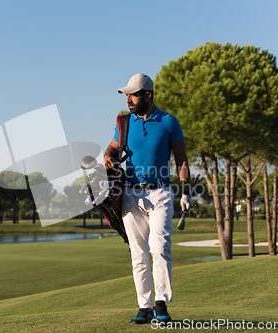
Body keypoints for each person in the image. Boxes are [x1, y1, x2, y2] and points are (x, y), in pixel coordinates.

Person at [103, 73, 193, 325]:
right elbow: (111, 148)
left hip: (160, 193)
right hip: (130, 194)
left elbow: (181, 161)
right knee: (138, 254)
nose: (128, 99)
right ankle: (144, 307)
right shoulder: (124, 123)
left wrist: (186, 191)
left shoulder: (168, 122)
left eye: (132, 94)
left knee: (159, 248)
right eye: (127, 95)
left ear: (148, 95)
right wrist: (108, 157)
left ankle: (161, 303)